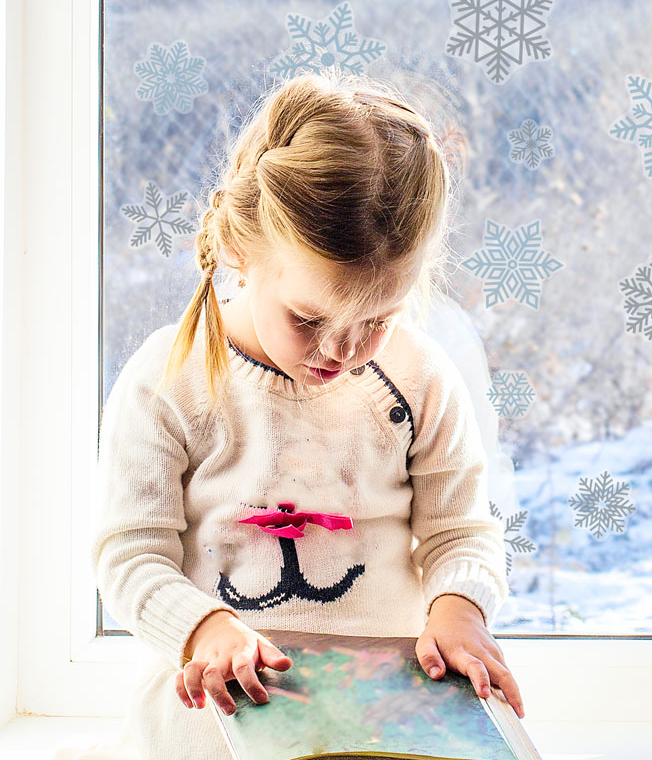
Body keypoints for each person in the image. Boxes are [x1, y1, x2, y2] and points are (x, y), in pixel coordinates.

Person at [63, 70, 524, 760]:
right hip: (213, 709)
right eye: (309, 317)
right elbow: (130, 555)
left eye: (377, 318)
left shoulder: (420, 379)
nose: (343, 350)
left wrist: (459, 607)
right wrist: (204, 630)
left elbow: (462, 530)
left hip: (383, 715)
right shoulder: (171, 380)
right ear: (240, 251)